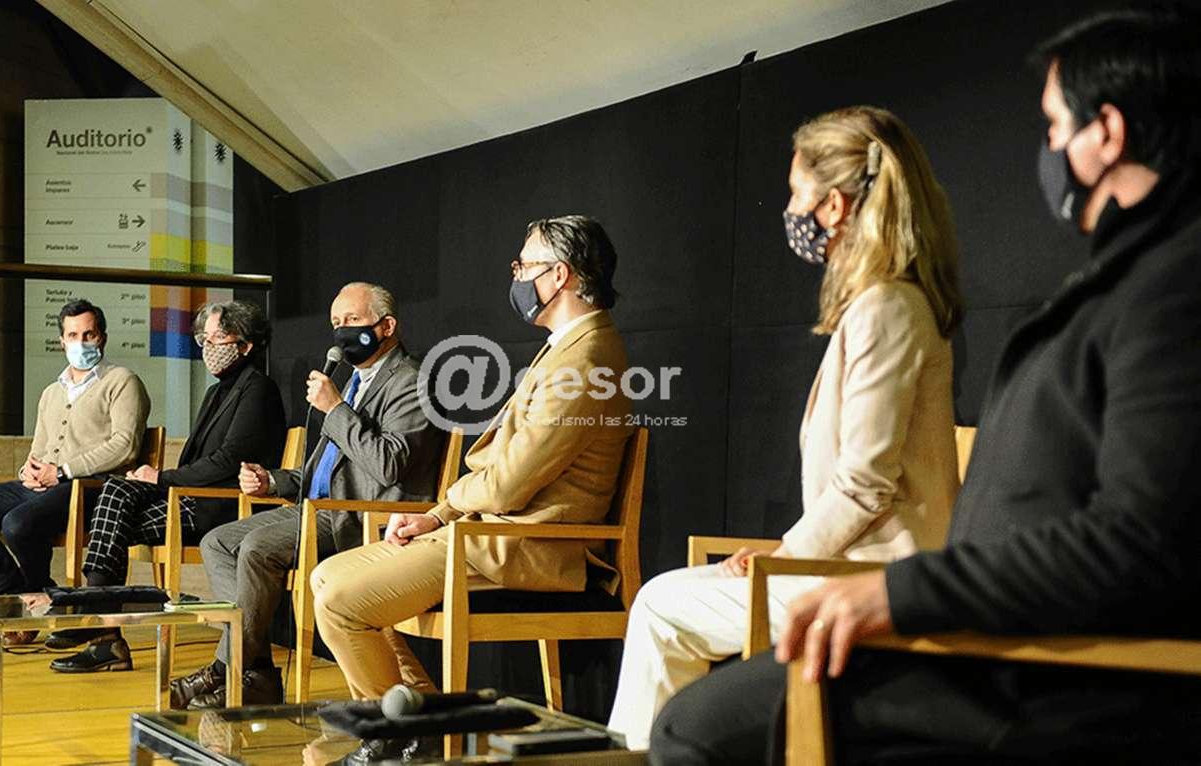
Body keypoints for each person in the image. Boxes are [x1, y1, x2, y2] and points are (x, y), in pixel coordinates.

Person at [650, 8, 1201, 764]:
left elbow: (1141, 541)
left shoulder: (1175, 287)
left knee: (694, 728)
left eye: (1052, 127)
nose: (1047, 150)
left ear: (1105, 132)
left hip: (1033, 672)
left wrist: (897, 593)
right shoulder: (1132, 282)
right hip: (986, 639)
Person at [607, 105, 963, 749]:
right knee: (665, 594)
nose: (791, 210)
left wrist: (785, 555)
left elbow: (865, 485)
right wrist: (783, 551)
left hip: (872, 579)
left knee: (660, 606)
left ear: (833, 207)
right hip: (843, 564)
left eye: (797, 193)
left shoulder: (887, 307)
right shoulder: (884, 303)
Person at [311, 215, 634, 764]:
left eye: (523, 266)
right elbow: (505, 472)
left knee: (343, 600)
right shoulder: (568, 347)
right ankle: (421, 726)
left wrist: (447, 512)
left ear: (559, 275)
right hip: (488, 531)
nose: (516, 276)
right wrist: (436, 516)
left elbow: (507, 484)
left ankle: (396, 735)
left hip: (526, 542)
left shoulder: (585, 359)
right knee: (328, 577)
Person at [167, 282, 445, 708]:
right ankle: (257, 670)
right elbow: (328, 469)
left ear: (386, 326)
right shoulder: (355, 382)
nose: (341, 331)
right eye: (336, 322)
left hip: (359, 516)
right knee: (217, 542)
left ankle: (227, 669)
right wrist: (273, 481)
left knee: (257, 548)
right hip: (316, 508)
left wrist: (335, 410)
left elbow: (389, 463)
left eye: (352, 320)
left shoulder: (412, 381)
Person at [47, 300, 286, 673]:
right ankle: (100, 625)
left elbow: (228, 461)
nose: (208, 347)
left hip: (221, 506)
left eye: (217, 339)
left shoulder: (259, 389)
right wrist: (158, 480)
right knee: (116, 491)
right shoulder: (216, 392)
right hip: (190, 497)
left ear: (245, 344)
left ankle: (98, 622)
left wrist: (161, 478)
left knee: (112, 513)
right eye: (204, 339)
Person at [0, 299, 149, 621]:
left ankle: (36, 599)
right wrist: (29, 470)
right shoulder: (52, 392)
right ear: (62, 340)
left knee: (17, 524)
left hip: (91, 487)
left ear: (102, 338)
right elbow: (38, 449)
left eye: (89, 335)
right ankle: (18, 594)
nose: (81, 343)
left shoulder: (122, 381)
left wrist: (62, 472)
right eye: (73, 335)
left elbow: (125, 446)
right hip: (42, 486)